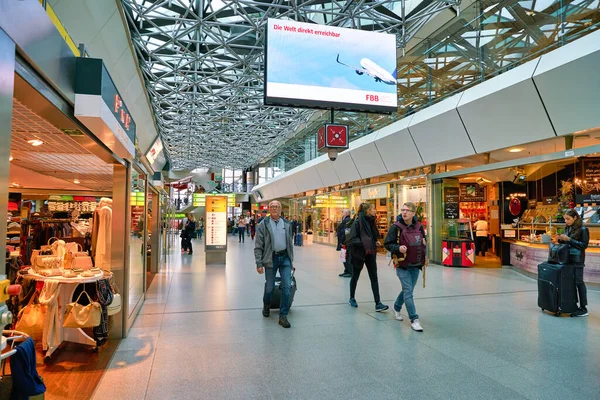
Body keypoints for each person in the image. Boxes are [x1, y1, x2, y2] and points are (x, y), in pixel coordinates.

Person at [384, 202, 427, 332]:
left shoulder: (419, 226)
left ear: (413, 213)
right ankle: (414, 319)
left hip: (416, 264)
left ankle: (396, 307)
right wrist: (398, 248)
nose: (404, 212)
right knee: (408, 290)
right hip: (402, 264)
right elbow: (387, 244)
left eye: (407, 210)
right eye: (403, 210)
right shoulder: (395, 227)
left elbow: (423, 240)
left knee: (408, 290)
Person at [254, 200, 294, 328]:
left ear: (281, 209)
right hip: (271, 259)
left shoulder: (287, 224)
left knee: (286, 287)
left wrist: (291, 261)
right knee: (270, 287)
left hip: (285, 258)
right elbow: (258, 246)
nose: (274, 208)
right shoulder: (263, 224)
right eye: (272, 207)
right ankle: (266, 304)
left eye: (277, 206)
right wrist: (259, 263)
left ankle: (283, 316)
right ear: (269, 209)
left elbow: (289, 244)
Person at [346, 202, 388, 312]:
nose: (375, 210)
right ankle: (351, 298)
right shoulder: (357, 223)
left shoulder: (371, 222)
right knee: (355, 276)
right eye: (373, 209)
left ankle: (378, 303)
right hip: (358, 254)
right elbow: (352, 239)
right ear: (367, 211)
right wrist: (367, 243)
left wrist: (374, 242)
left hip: (370, 253)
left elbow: (372, 237)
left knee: (374, 277)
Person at [558, 209, 589, 317]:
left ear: (575, 217)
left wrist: (569, 239)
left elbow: (584, 245)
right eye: (565, 219)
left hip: (577, 259)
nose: (566, 221)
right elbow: (566, 241)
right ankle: (573, 305)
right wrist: (560, 239)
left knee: (579, 282)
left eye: (568, 219)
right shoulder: (568, 228)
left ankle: (583, 308)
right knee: (571, 283)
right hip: (567, 258)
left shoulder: (583, 229)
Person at [336, 210, 352, 277]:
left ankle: (349, 271)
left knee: (346, 257)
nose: (341, 213)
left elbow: (347, 231)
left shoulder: (347, 220)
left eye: (342, 212)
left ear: (345, 213)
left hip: (345, 242)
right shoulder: (345, 220)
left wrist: (344, 241)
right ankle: (346, 270)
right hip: (344, 242)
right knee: (344, 257)